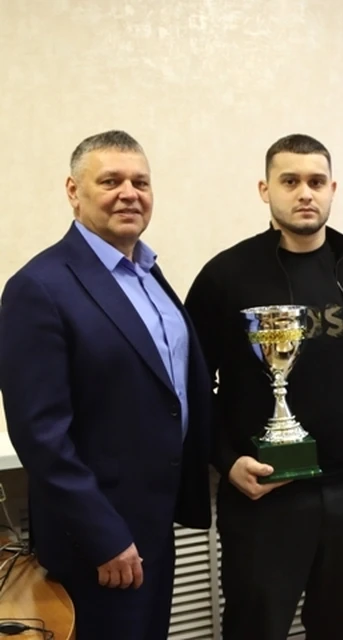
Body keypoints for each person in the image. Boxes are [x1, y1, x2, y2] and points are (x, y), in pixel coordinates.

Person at [183, 134, 343, 640]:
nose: (304, 193)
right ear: (265, 189)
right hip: (265, 496)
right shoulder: (226, 275)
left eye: (316, 181)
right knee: (255, 628)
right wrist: (227, 459)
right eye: (290, 181)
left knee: (341, 628)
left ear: (333, 189)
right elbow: (190, 386)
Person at [0, 130, 212, 639]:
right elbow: (41, 435)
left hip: (155, 524)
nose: (129, 194)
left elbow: (171, 392)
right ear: (74, 191)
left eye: (141, 182)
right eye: (111, 181)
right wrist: (104, 536)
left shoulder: (149, 274)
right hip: (98, 541)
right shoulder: (39, 287)